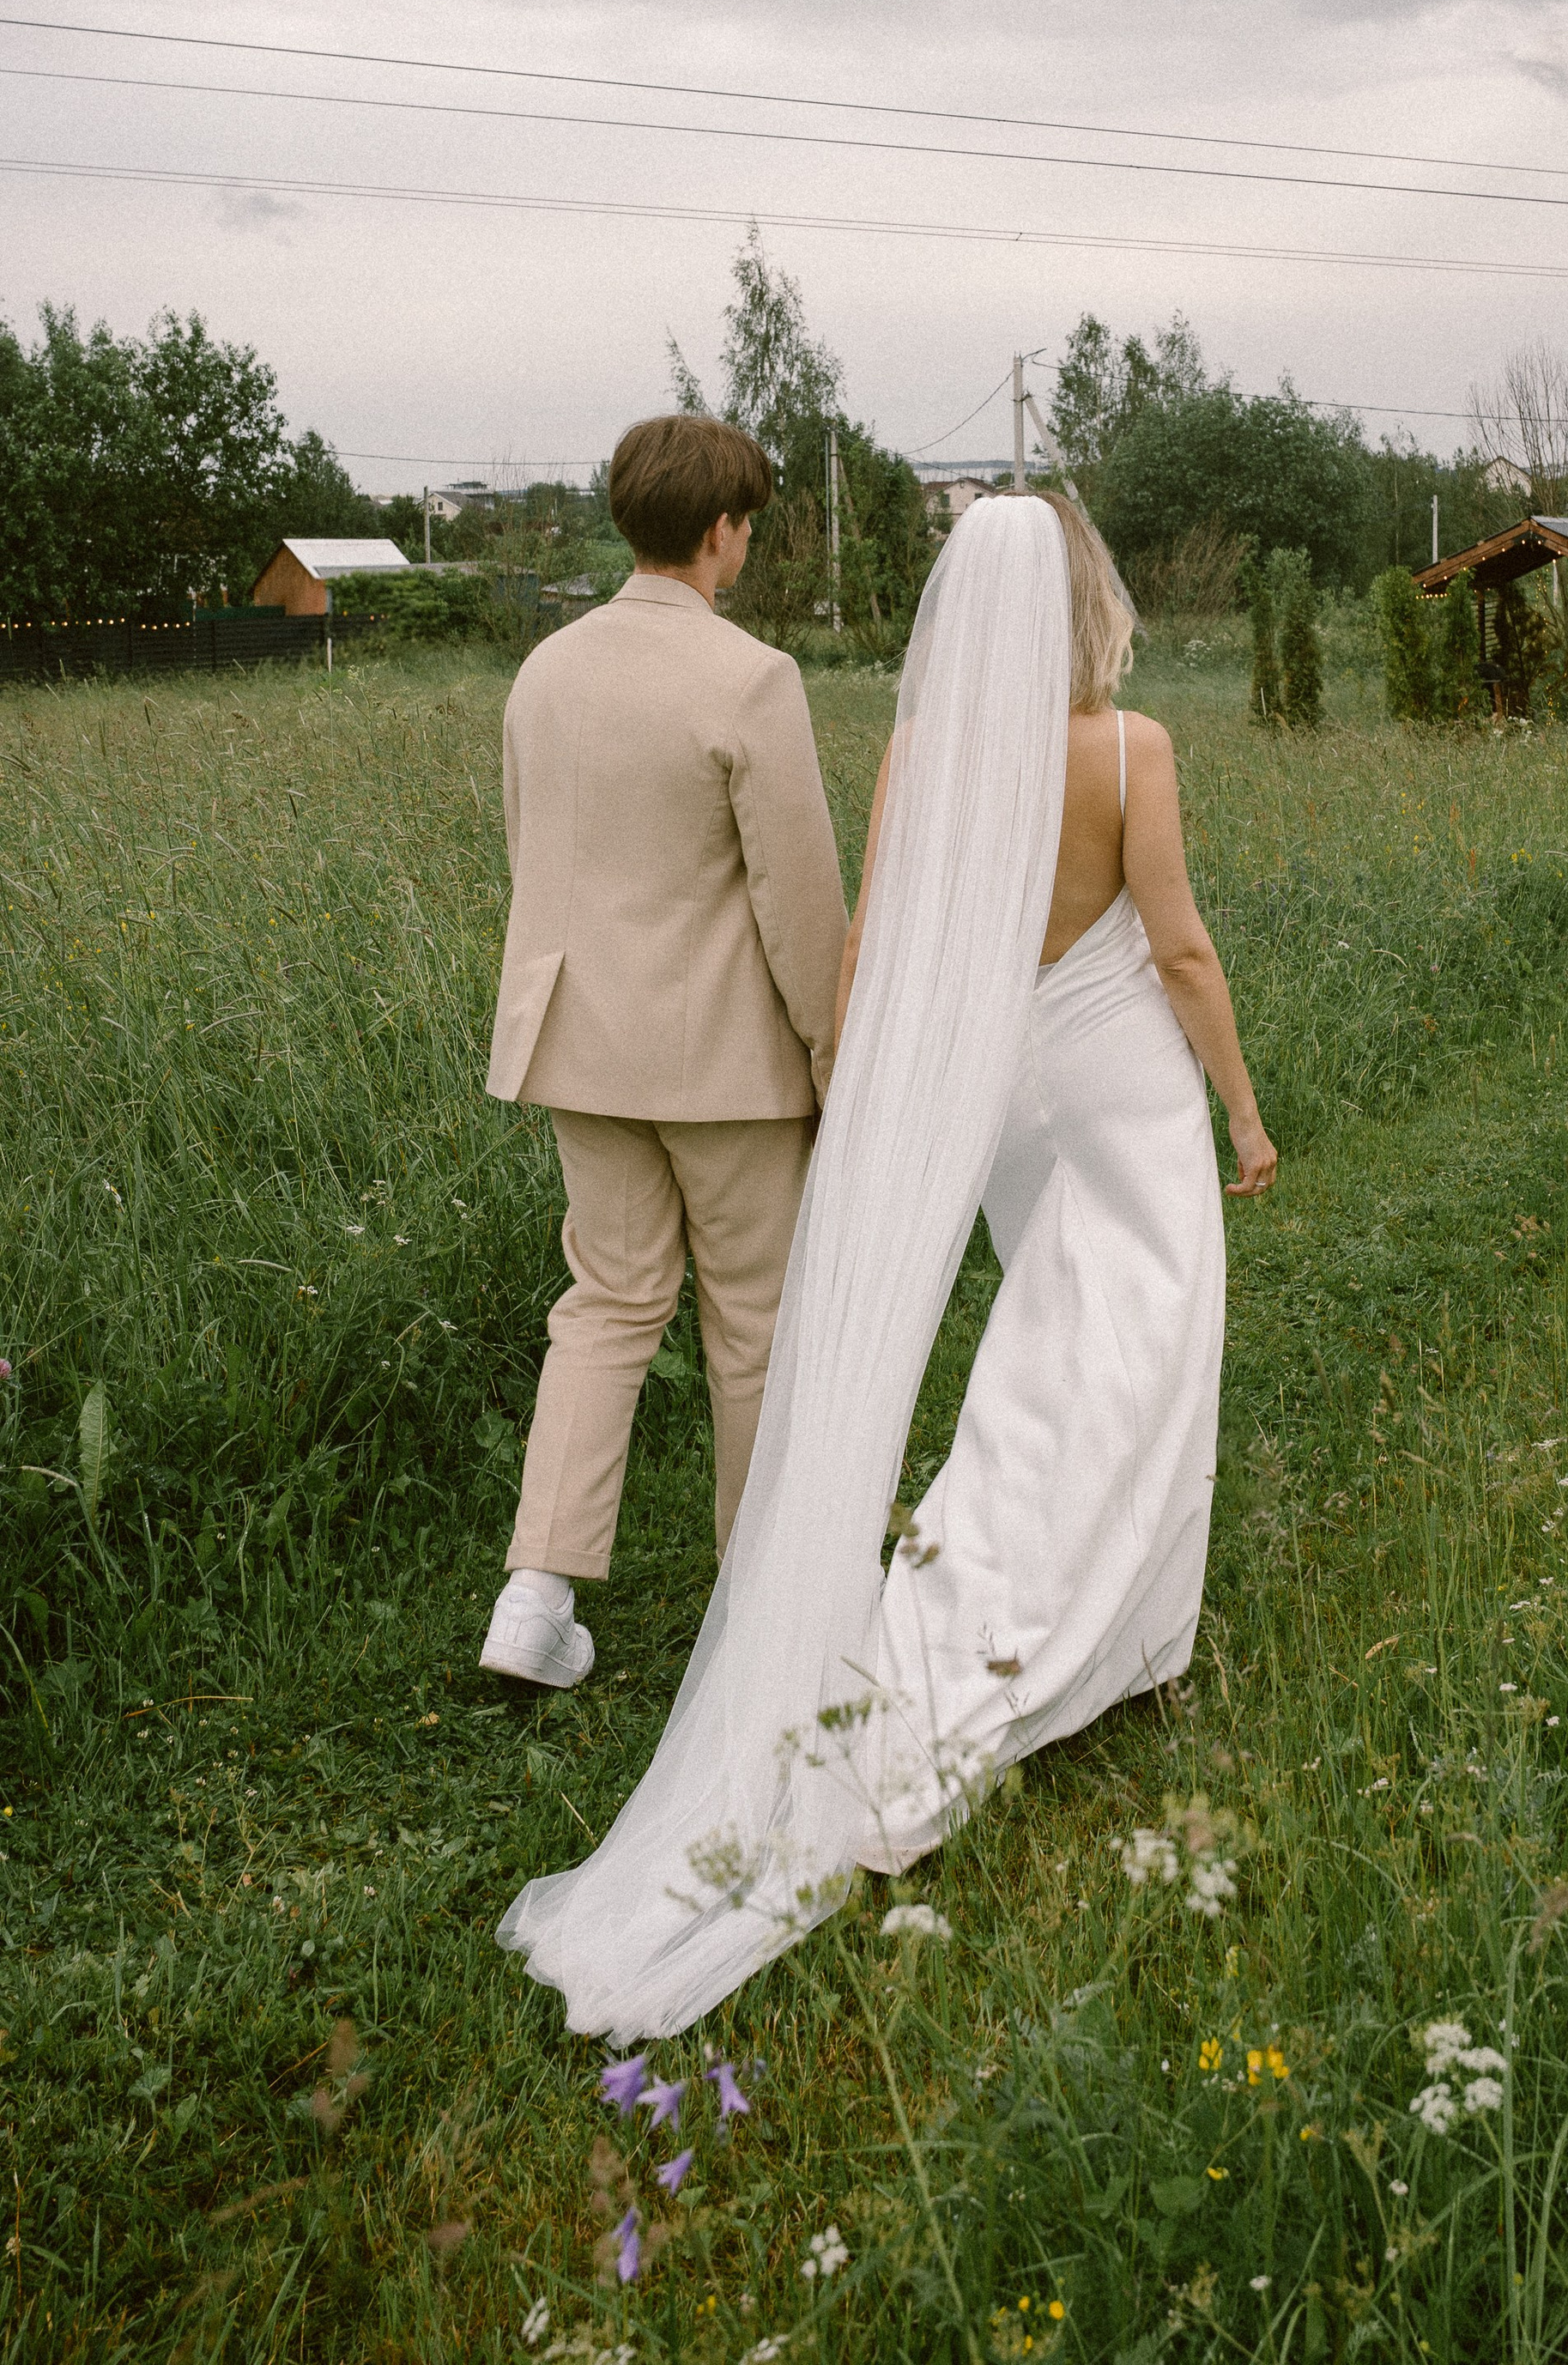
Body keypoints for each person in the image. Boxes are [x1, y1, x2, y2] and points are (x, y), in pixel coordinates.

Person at [499, 489, 1274, 2037]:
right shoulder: (1130, 751)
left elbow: (868, 941)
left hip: (1004, 1089)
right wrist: (1244, 1113)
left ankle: (1048, 1630)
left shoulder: (927, 752)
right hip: (1120, 1088)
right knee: (1136, 1350)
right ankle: (1098, 1645)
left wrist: (855, 1090)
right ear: (1084, 601)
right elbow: (1179, 948)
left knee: (1038, 1358)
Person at [477, 414, 848, 1693]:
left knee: (607, 1305)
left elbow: (536, 854)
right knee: (752, 1321)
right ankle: (757, 1605)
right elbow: (800, 905)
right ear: (720, 531)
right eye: (746, 520)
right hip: (726, 1066)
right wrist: (832, 1048)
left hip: (577, 1043)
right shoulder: (752, 679)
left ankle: (535, 1596)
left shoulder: (544, 671)